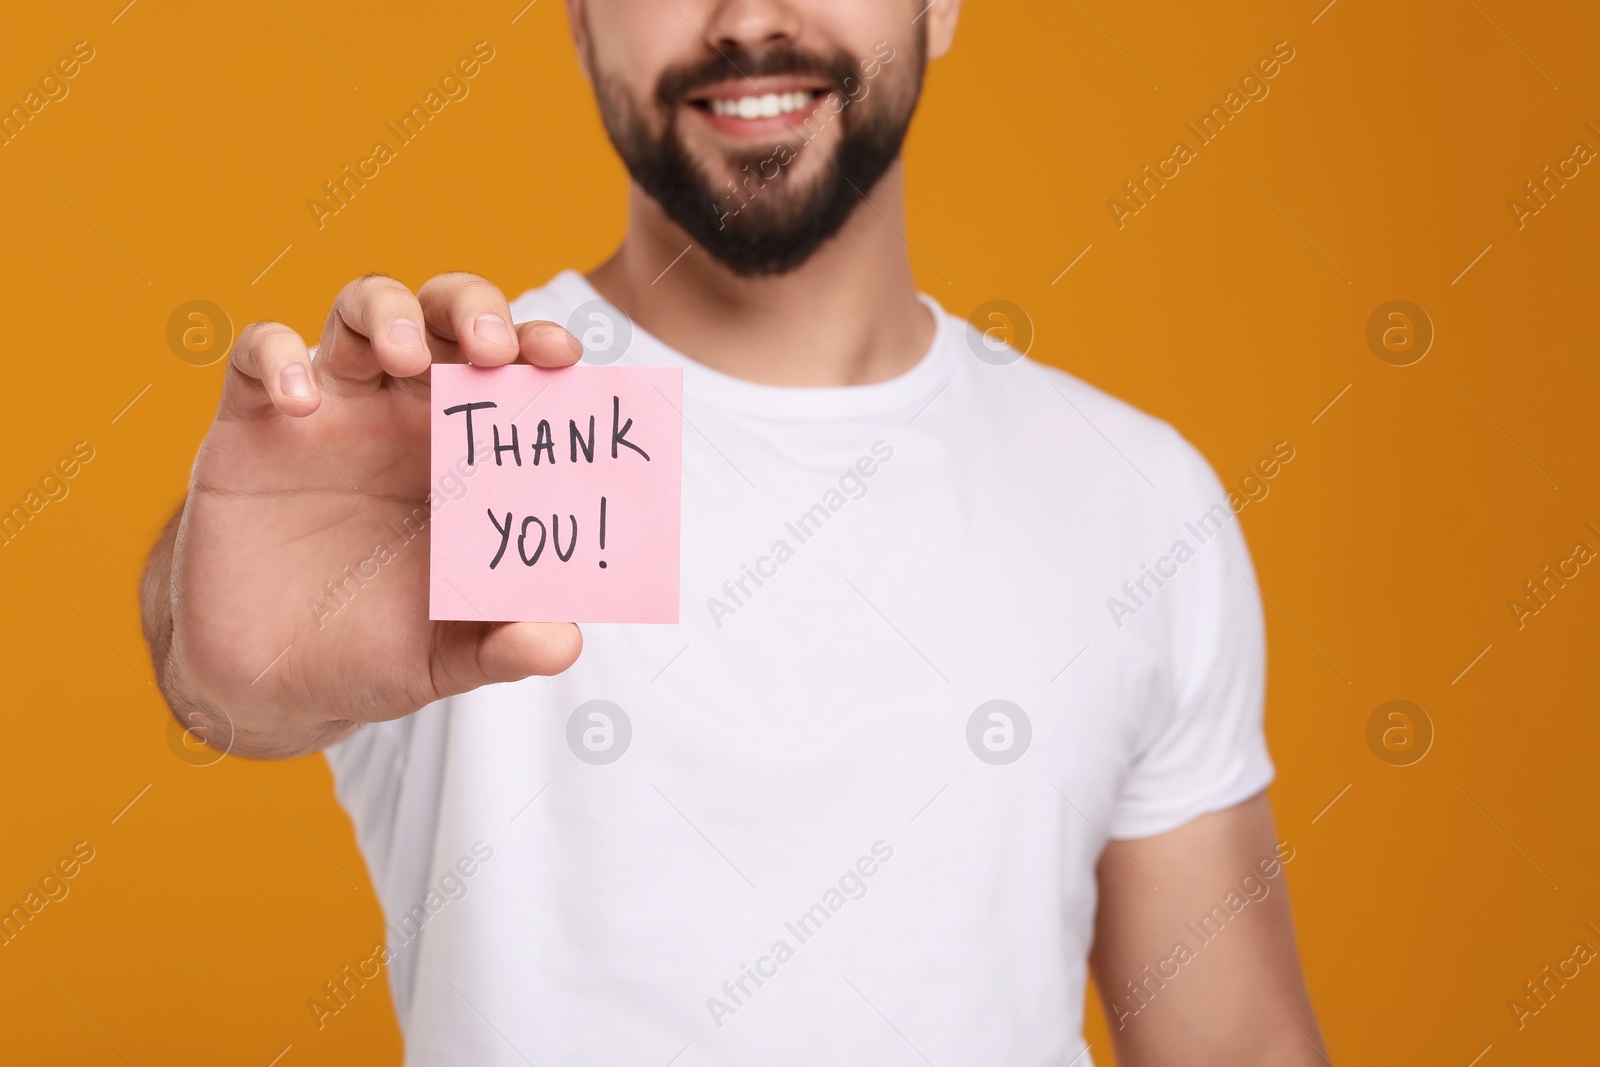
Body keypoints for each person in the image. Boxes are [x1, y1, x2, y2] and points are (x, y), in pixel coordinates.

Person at [139, 1, 1328, 1063]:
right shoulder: (445, 447)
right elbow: (241, 669)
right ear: (576, 17)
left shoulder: (1136, 500)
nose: (748, 17)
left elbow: (1231, 1038)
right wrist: (210, 648)